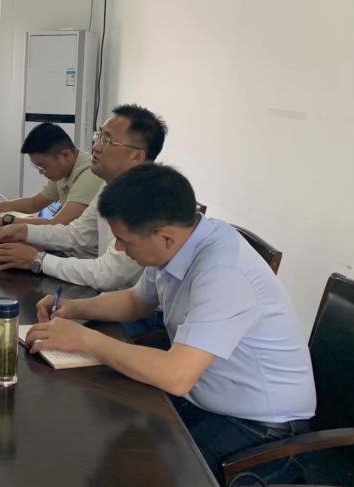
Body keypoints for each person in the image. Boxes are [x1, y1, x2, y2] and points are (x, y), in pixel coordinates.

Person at [25, 163, 316, 484]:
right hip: (202, 398)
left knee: (137, 472)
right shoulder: (179, 243)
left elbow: (176, 376)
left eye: (124, 240)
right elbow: (136, 300)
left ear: (164, 237)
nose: (119, 248)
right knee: (104, 436)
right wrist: (73, 308)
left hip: (262, 431)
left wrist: (84, 339)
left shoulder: (223, 273)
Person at [0, 104, 166, 291]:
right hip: (107, 295)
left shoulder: (145, 200)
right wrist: (23, 231)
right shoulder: (110, 185)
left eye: (107, 140)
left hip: (125, 303)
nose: (96, 147)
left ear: (137, 157)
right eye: (98, 136)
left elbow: (109, 275)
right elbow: (77, 235)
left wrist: (37, 260)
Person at [0, 122, 103, 229]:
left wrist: (3, 220)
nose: (41, 172)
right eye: (37, 167)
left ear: (66, 155)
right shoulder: (63, 172)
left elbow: (57, 224)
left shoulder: (90, 175)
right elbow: (34, 203)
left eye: (43, 166)